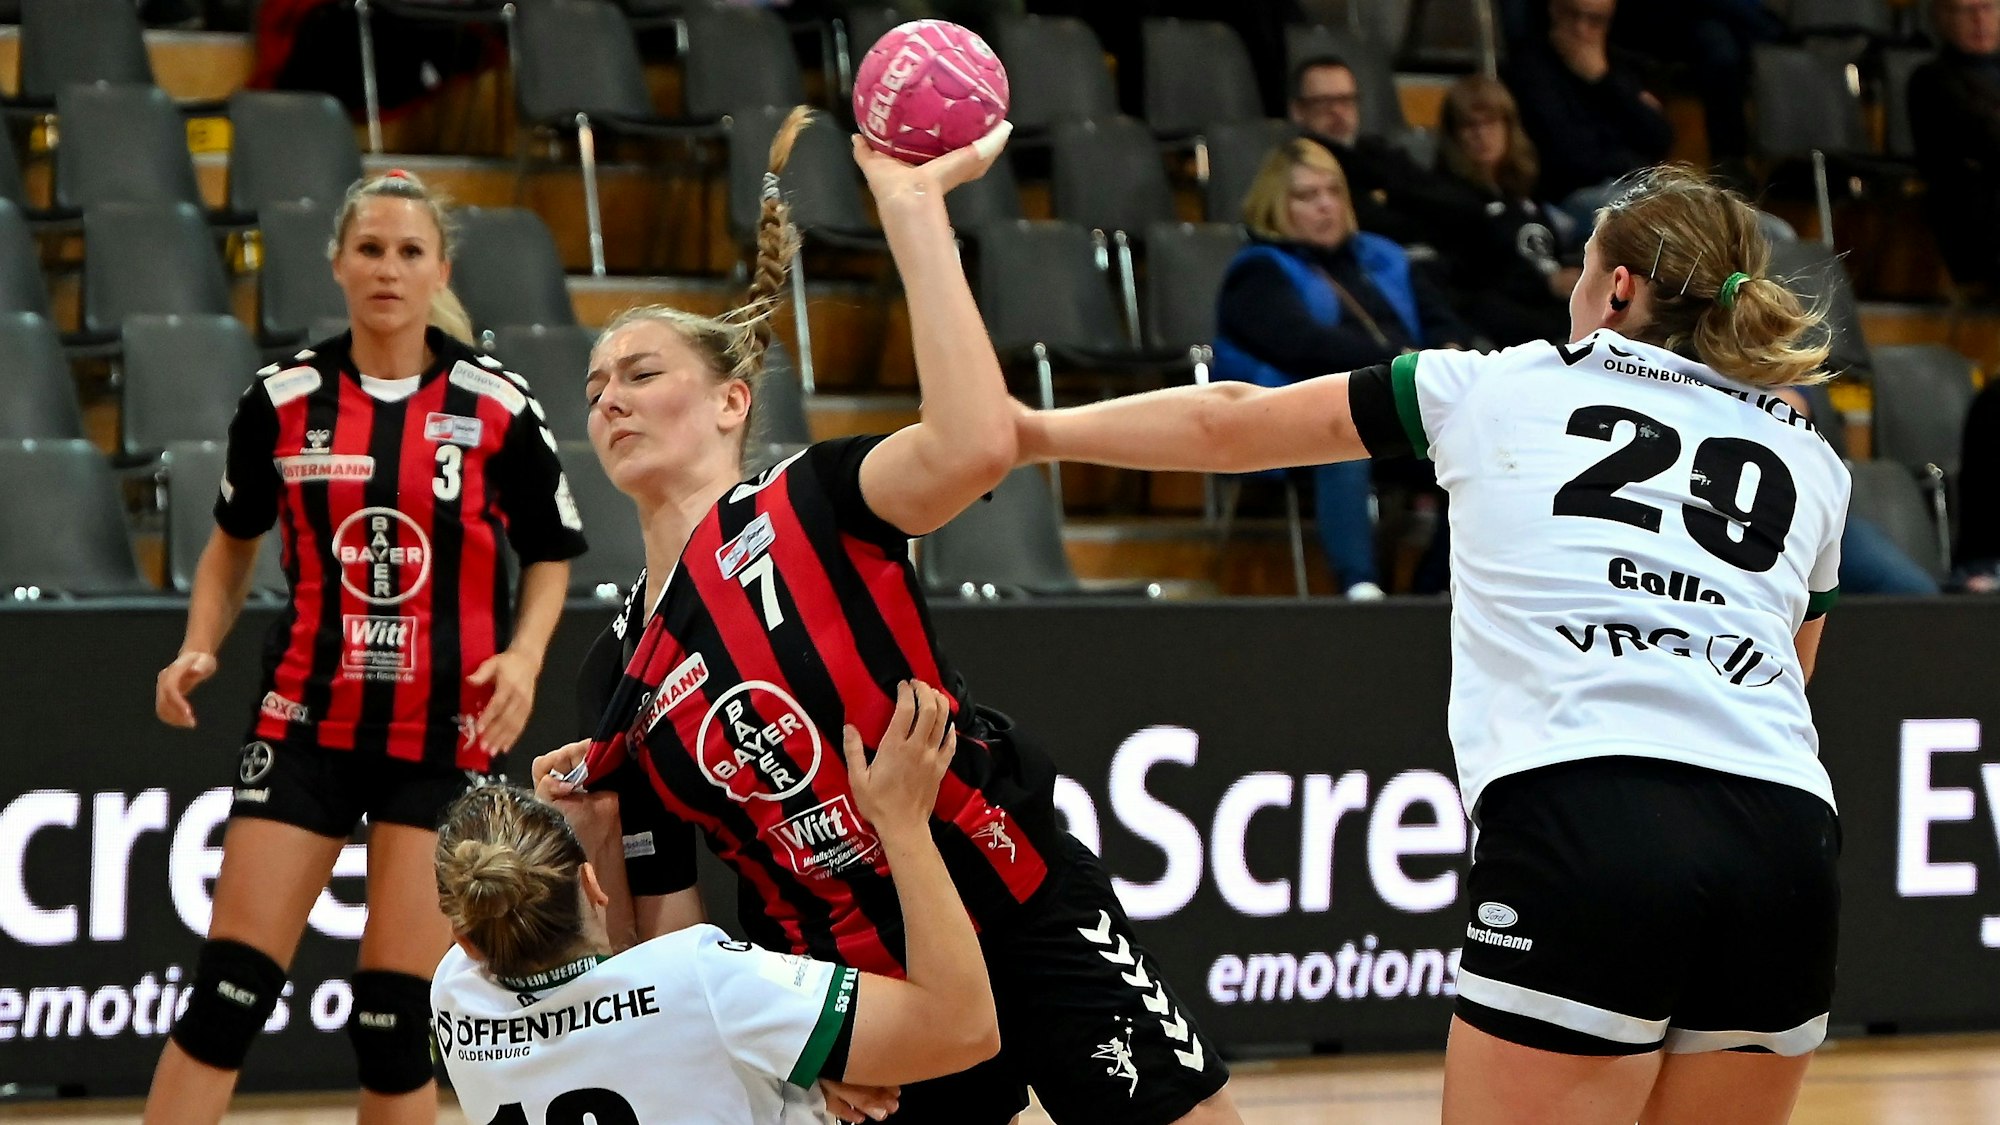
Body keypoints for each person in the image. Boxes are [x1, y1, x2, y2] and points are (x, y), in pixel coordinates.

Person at [1015, 165, 1848, 1125]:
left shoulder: (1493, 383)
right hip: (1785, 838)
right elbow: (1798, 672)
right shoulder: (1808, 457)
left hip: (1594, 810)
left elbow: (1229, 420)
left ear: (1618, 287)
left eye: (1583, 270)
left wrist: (1028, 431)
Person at [533, 108, 1238, 1125]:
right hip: (857, 995)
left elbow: (973, 443)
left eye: (641, 375)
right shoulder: (620, 666)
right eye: (596, 389)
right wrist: (782, 1038)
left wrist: (912, 210)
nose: (610, 401)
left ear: (732, 402)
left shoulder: (812, 498)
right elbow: (667, 929)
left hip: (1011, 893)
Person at [145, 170, 588, 1124]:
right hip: (307, 721)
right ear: (338, 264)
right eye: (372, 249)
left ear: (441, 270)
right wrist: (198, 643)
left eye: (410, 251)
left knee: (394, 1018)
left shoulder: (496, 403)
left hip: (448, 736)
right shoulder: (283, 399)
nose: (389, 268)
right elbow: (230, 546)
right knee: (226, 994)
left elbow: (551, 556)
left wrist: (524, 659)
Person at [433, 682, 1001, 1123]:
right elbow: (963, 1028)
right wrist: (902, 823)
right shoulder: (706, 981)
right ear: (590, 885)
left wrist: (789, 1049)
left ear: (466, 935)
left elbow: (609, 990)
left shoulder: (455, 997)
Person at [1215, 138, 1468, 598]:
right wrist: (1405, 364)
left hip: (1398, 405)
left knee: (1477, 456)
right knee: (1346, 437)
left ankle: (1437, 591)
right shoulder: (1258, 272)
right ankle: (1360, 588)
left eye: (1332, 192)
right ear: (1277, 205)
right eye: (1307, 196)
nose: (1325, 206)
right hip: (1299, 417)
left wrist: (1451, 353)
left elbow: (1441, 320)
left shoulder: (1382, 257)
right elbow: (1304, 346)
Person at [1288, 54, 1491, 253]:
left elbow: (1460, 204)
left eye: (1346, 100)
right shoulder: (1299, 169)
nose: (1338, 111)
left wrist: (1396, 197)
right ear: (1298, 111)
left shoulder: (1378, 152)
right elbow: (1373, 227)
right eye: (1324, 102)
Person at [1434, 74, 1578, 346]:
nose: (1481, 134)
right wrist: (1544, 284)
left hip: (1553, 312)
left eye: (1491, 122)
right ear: (1454, 136)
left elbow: (1553, 256)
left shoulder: (1524, 195)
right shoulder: (1450, 200)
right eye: (1469, 126)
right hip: (1505, 324)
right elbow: (1472, 285)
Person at [1503, 0, 1673, 219]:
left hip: (1631, 184)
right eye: (1572, 14)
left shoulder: (1619, 68)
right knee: (1639, 215)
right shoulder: (1529, 70)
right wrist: (1630, 158)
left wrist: (1602, 79)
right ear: (1554, 9)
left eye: (1595, 20)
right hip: (1569, 196)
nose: (1581, 29)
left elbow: (1661, 138)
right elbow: (1569, 158)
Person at [1910, 0, 2000, 292]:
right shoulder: (1932, 80)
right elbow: (1988, 139)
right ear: (1942, 18)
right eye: (1967, 11)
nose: (1979, 20)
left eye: (1987, 9)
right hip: (1975, 214)